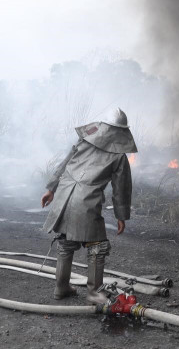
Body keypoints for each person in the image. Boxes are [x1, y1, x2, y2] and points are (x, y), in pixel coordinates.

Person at [40, 108, 134, 300]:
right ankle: (93, 292)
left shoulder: (84, 141)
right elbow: (121, 188)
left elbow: (64, 163)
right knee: (98, 245)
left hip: (65, 195)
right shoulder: (119, 156)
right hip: (86, 200)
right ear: (122, 132)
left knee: (66, 241)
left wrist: (51, 189)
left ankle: (61, 288)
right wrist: (121, 216)